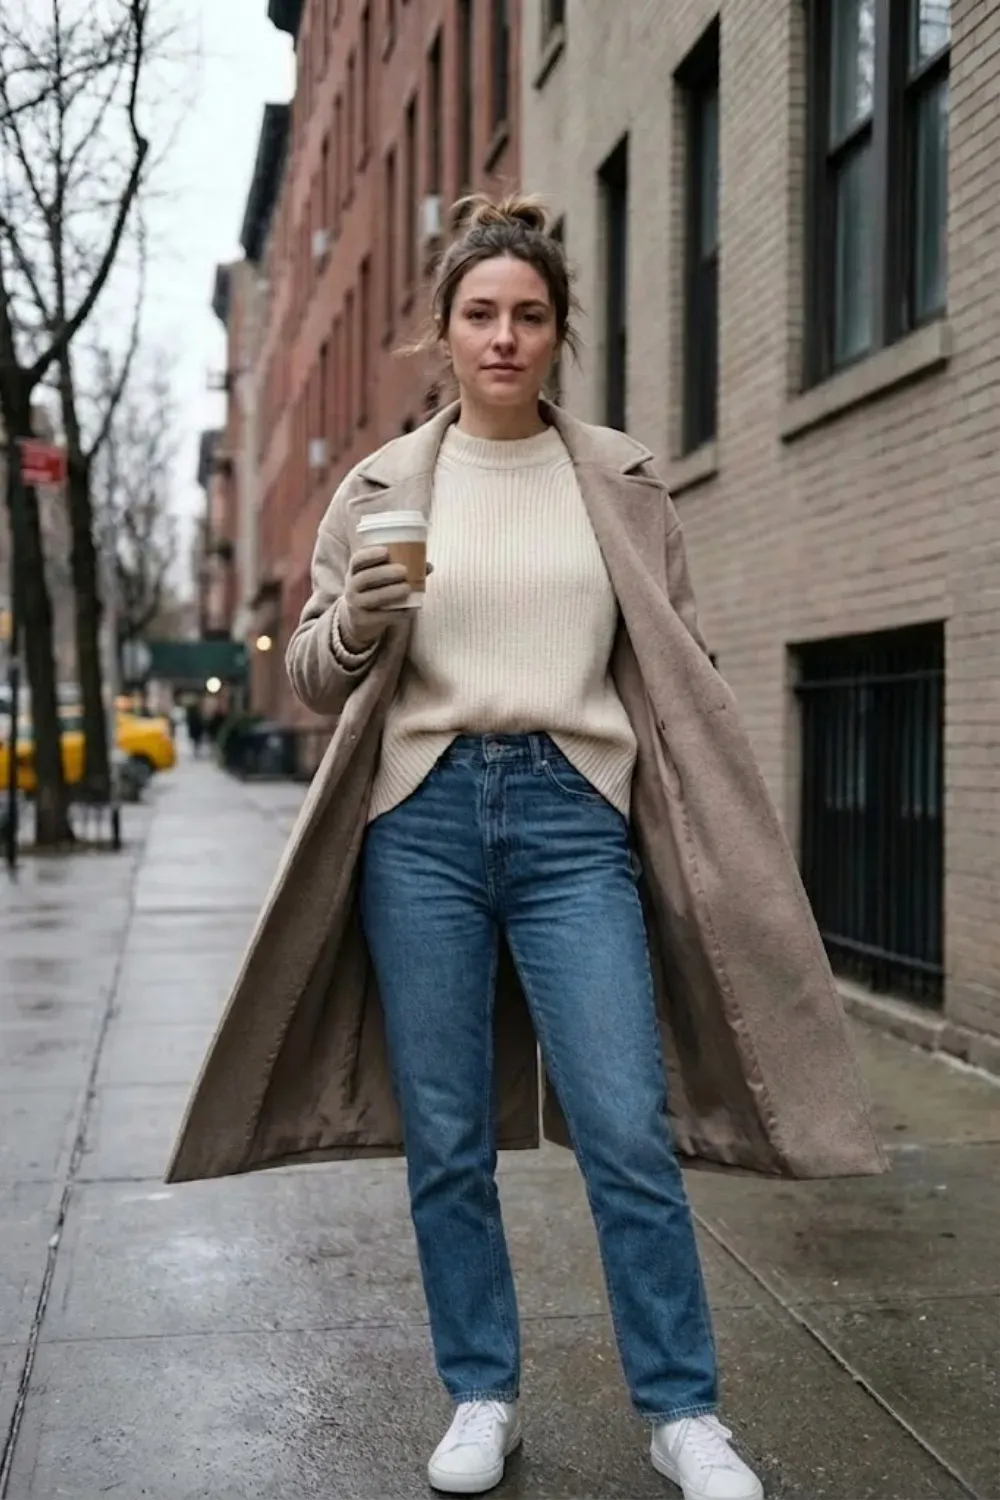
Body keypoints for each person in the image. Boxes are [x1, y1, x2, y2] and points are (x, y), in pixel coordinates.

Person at [167, 195, 883, 1499]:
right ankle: (480, 1392)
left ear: (559, 333)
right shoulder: (380, 487)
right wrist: (359, 621)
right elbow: (318, 675)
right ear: (443, 332)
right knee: (448, 1138)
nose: (504, 337)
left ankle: (682, 1412)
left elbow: (675, 655)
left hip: (573, 820)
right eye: (481, 314)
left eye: (530, 316)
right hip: (421, 823)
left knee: (624, 1126)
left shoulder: (620, 480)